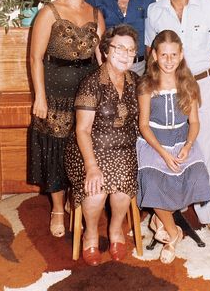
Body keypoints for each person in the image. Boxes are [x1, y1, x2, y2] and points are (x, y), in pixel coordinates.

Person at [145, 0, 210, 234]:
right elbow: (150, 53)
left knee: (203, 145)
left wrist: (198, 82)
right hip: (164, 88)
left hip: (199, 84)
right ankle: (172, 205)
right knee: (169, 144)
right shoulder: (155, 11)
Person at [27, 0, 105, 238]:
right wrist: (40, 97)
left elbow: (101, 59)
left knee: (82, 149)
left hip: (86, 98)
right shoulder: (49, 12)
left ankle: (78, 200)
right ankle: (58, 208)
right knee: (55, 153)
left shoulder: (96, 15)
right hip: (55, 95)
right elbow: (35, 58)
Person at [64, 25, 139, 266]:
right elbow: (82, 130)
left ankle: (116, 230)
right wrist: (92, 166)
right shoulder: (91, 83)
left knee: (121, 188)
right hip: (89, 150)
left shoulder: (136, 81)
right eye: (119, 48)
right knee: (96, 191)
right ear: (106, 50)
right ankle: (91, 233)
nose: (125, 54)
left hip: (124, 150)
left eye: (130, 49)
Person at [137, 29, 210, 264]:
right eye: (163, 55)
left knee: (197, 176)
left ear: (181, 56)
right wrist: (162, 153)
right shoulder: (147, 86)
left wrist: (189, 146)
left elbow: (194, 122)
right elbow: (143, 126)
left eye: (173, 55)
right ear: (155, 57)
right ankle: (173, 234)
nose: (168, 60)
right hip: (153, 142)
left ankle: (160, 218)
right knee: (152, 181)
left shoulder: (188, 85)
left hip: (181, 139)